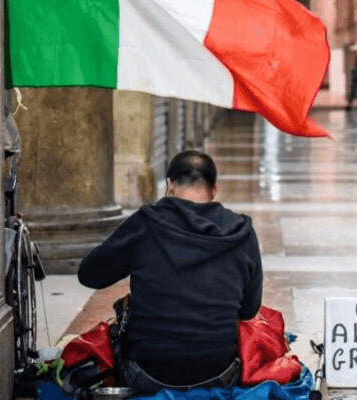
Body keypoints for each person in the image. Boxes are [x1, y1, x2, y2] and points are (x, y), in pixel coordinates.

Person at [77, 150, 263, 395]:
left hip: (149, 374)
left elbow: (90, 274)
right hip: (218, 374)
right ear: (214, 189)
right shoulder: (242, 232)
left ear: (169, 185)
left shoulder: (146, 223)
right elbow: (249, 310)